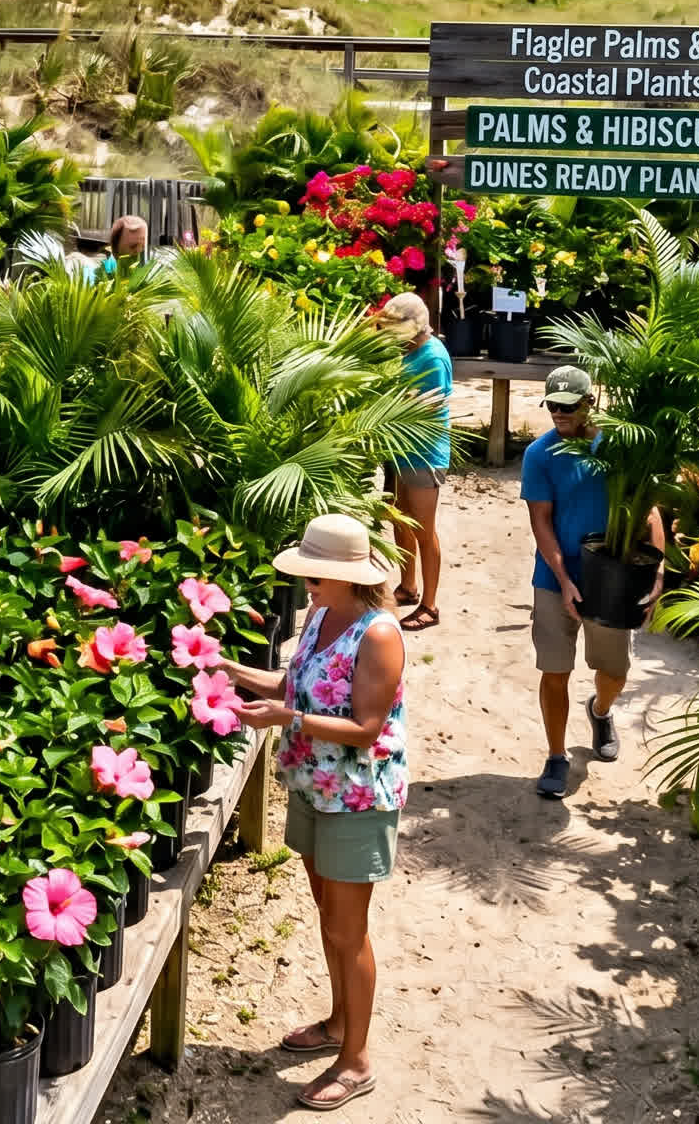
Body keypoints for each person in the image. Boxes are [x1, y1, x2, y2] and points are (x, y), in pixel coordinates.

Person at [225, 512, 407, 1112]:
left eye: (315, 576)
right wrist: (225, 670)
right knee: (329, 917)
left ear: (348, 578)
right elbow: (293, 682)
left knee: (347, 933)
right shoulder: (321, 616)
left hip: (357, 799)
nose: (306, 585)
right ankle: (336, 1025)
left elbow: (365, 728)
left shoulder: (379, 634)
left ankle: (356, 1061)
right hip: (311, 785)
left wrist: (287, 720)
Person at [520, 365, 665, 799]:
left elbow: (650, 512)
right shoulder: (539, 454)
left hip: (614, 577)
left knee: (614, 671)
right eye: (553, 406)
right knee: (554, 670)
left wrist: (657, 571)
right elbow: (541, 522)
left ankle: (600, 710)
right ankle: (556, 755)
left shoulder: (619, 446)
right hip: (554, 577)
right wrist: (563, 578)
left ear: (590, 403)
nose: (560, 414)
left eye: (569, 406)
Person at [376, 293, 449, 629]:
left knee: (423, 529)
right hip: (401, 450)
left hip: (424, 454)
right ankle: (408, 586)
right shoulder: (408, 350)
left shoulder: (433, 356)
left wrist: (394, 401)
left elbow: (431, 405)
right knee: (399, 520)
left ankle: (430, 606)